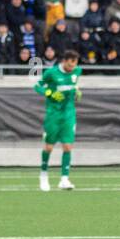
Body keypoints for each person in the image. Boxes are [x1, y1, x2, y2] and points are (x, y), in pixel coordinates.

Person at [35, 50, 81, 191]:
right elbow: (37, 86)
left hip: (69, 114)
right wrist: (50, 93)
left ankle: (64, 179)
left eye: (74, 65)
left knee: (67, 146)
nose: (71, 68)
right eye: (69, 65)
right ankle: (43, 175)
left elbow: (74, 86)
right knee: (49, 147)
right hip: (53, 114)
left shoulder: (77, 71)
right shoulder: (51, 73)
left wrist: (77, 92)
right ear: (64, 61)